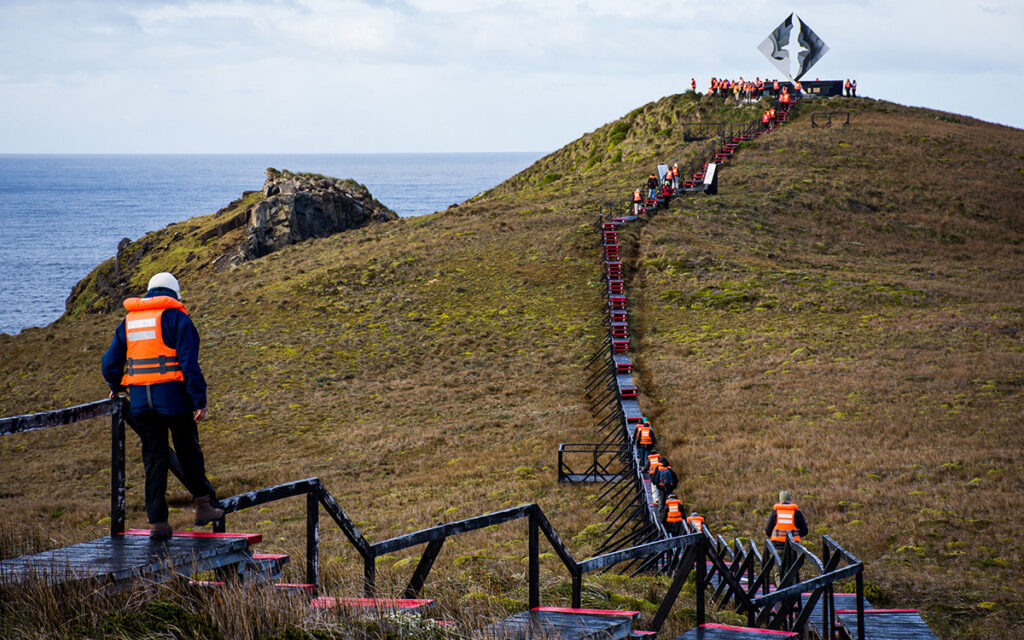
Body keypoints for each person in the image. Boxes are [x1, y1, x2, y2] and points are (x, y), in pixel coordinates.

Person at [102, 272, 223, 538]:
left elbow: (110, 361)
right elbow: (190, 365)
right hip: (175, 401)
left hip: (141, 404)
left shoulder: (129, 322)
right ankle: (203, 505)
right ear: (174, 294)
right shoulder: (178, 319)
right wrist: (199, 401)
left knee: (154, 460)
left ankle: (157, 523)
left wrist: (116, 386)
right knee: (188, 451)